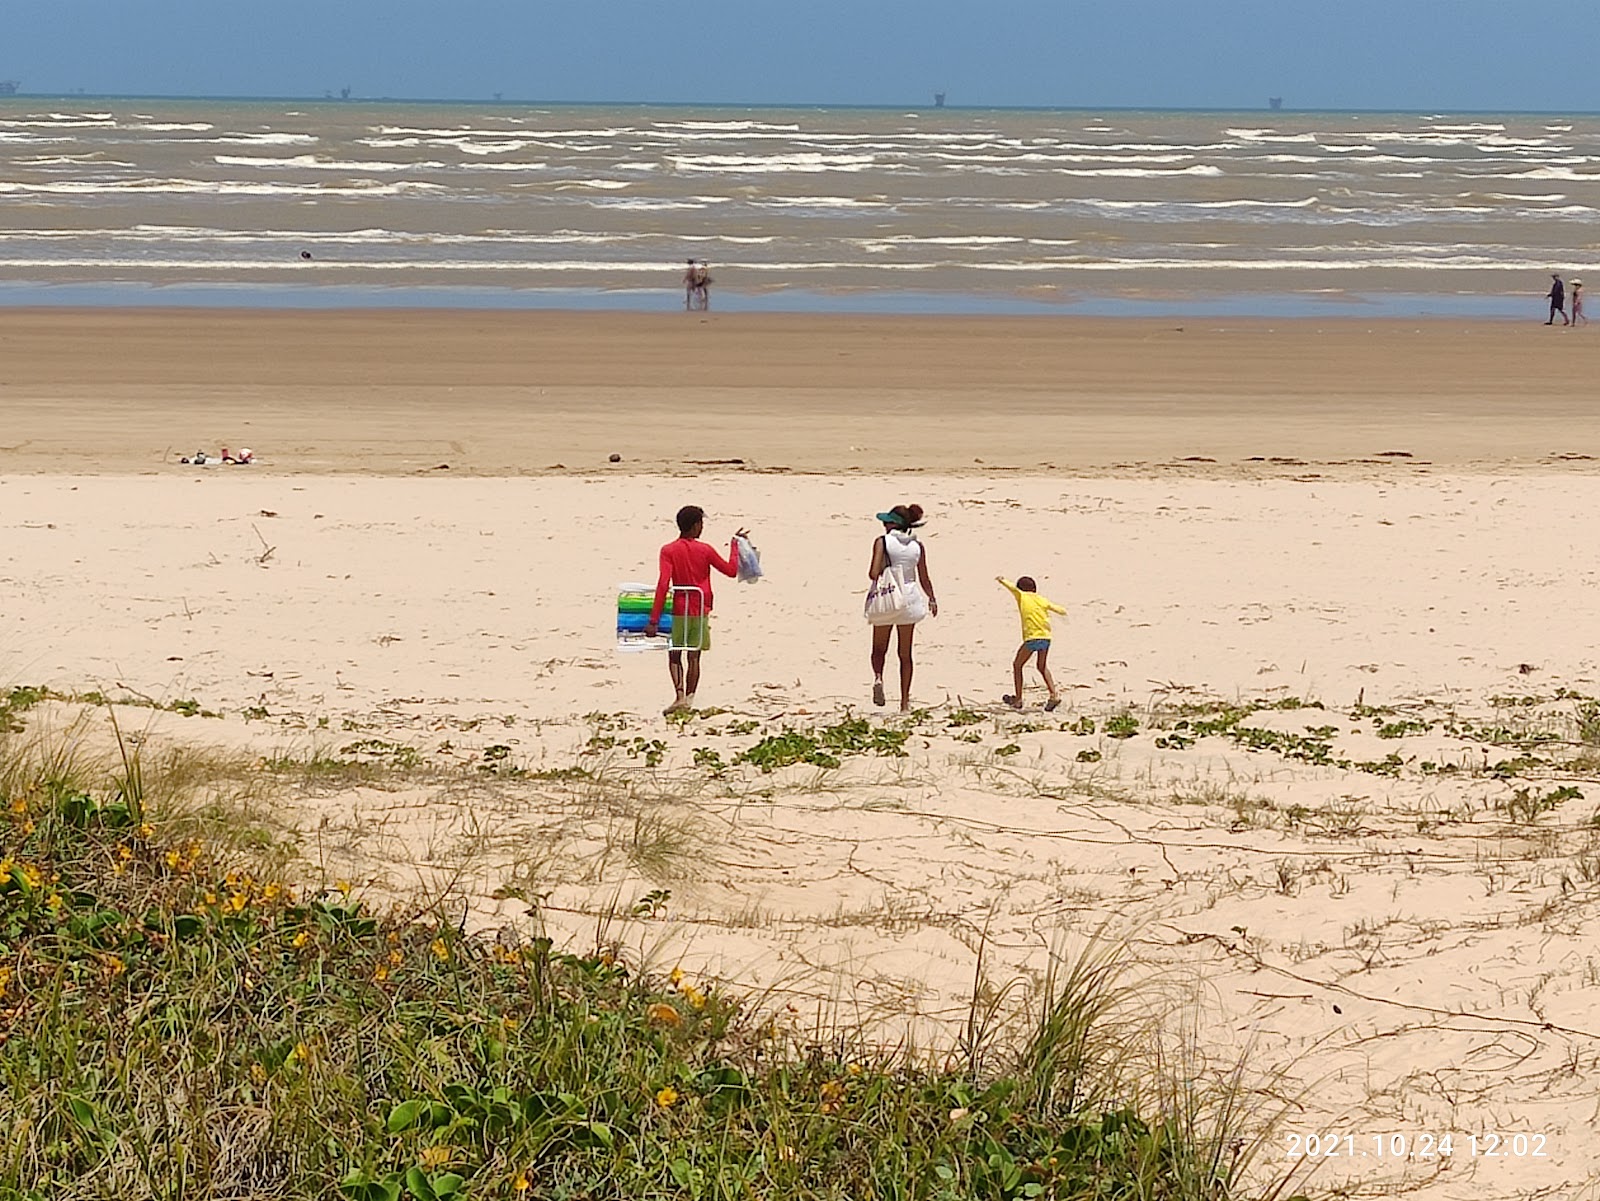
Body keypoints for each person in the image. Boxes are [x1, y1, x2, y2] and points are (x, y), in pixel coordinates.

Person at [645, 505, 747, 714]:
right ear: (694, 526)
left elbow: (663, 584)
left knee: (675, 654)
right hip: (699, 609)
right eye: (701, 523)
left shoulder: (668, 550)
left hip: (679, 609)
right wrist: (735, 546)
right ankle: (689, 699)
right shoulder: (705, 550)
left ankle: (679, 695)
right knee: (694, 656)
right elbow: (730, 570)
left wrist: (654, 619)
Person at [867, 504, 938, 712]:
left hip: (887, 598)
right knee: (905, 654)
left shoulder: (882, 542)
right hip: (910, 601)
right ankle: (905, 702)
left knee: (879, 648)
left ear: (892, 524)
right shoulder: (918, 546)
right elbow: (924, 577)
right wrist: (932, 598)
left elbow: (873, 573)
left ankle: (878, 678)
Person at [996, 575, 1067, 711]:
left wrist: (1002, 580)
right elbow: (1057, 608)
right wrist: (1064, 613)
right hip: (1046, 637)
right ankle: (1054, 695)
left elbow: (1012, 589)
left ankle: (1018, 699)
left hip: (1031, 638)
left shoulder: (1022, 596)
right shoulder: (1042, 600)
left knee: (1017, 665)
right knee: (1041, 666)